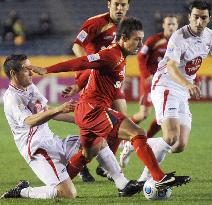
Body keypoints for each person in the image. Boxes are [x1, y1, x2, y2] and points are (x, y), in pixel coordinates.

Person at [29, 17, 191, 195]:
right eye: (136, 39)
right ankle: (159, 178)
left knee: (86, 155)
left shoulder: (120, 56)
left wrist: (79, 86)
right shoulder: (111, 55)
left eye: (142, 39)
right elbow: (82, 62)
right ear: (123, 38)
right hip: (93, 110)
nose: (140, 43)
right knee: (137, 133)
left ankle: (56, 187)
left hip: (88, 110)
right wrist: (47, 70)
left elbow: (93, 71)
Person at [1, 54, 140, 198]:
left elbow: (47, 111)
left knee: (98, 142)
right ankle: (23, 191)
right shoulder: (12, 97)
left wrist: (80, 119)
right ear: (13, 73)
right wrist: (59, 108)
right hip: (37, 150)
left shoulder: (30, 87)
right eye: (26, 69)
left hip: (52, 141)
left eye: (31, 68)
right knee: (68, 193)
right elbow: (29, 121)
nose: (31, 72)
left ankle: (122, 184)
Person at [133, 0, 212, 183]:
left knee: (179, 145)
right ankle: (146, 179)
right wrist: (188, 84)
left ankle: (136, 143)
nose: (199, 22)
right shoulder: (179, 37)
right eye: (196, 17)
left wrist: (187, 85)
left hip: (183, 89)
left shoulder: (209, 35)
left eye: (204, 18)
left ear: (209, 18)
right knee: (170, 136)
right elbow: (171, 66)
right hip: (166, 85)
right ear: (189, 17)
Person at [64, 0, 131, 182]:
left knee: (121, 119)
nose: (120, 8)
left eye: (123, 5)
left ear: (128, 6)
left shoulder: (126, 25)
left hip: (111, 79)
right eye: (116, 4)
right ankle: (82, 162)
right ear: (108, 4)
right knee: (92, 123)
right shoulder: (95, 23)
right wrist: (90, 65)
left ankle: (105, 167)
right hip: (92, 78)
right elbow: (76, 45)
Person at [120, 15, 179, 168]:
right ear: (164, 25)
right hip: (152, 82)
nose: (171, 27)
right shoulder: (154, 40)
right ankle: (124, 135)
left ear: (177, 25)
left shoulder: (179, 41)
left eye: (173, 24)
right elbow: (140, 57)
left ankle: (143, 141)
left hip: (170, 84)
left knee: (163, 118)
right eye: (168, 24)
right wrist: (146, 75)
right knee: (144, 114)